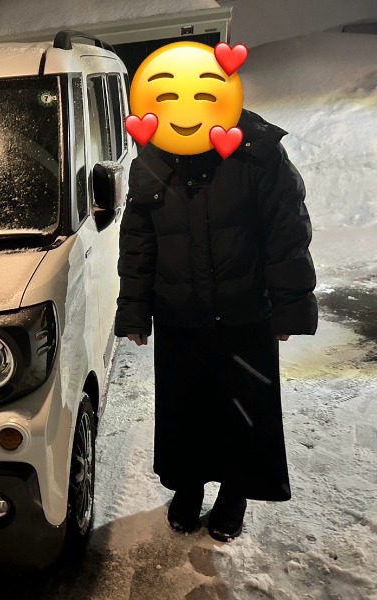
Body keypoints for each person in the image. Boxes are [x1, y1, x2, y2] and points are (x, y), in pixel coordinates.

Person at [115, 108, 317, 541]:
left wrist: (290, 305)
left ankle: (234, 492)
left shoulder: (258, 149)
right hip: (179, 315)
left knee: (242, 410)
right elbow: (138, 241)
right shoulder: (154, 155)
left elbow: (287, 230)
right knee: (186, 410)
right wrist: (134, 308)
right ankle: (188, 486)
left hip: (245, 313)